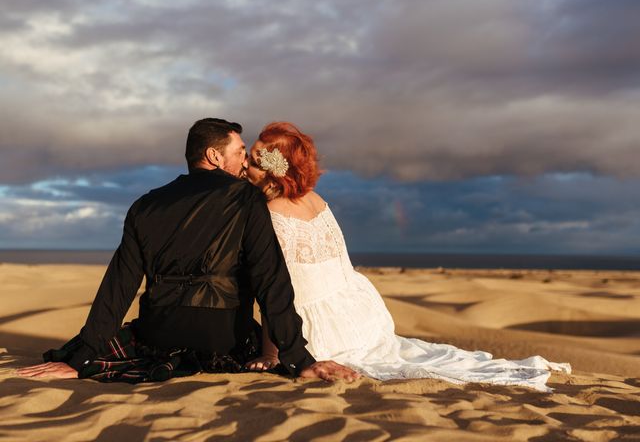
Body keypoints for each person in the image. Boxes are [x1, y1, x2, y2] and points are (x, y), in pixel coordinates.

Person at [17, 118, 359, 383]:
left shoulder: (144, 204)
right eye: (240, 152)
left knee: (132, 334)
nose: (245, 162)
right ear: (214, 155)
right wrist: (300, 360)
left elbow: (119, 286)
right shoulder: (247, 199)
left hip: (156, 336)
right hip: (224, 343)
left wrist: (83, 358)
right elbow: (271, 280)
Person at [244, 122, 571, 392]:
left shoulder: (270, 213)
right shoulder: (316, 200)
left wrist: (271, 353)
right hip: (357, 316)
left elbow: (280, 289)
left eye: (256, 159)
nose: (246, 163)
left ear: (277, 170)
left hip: (319, 331)